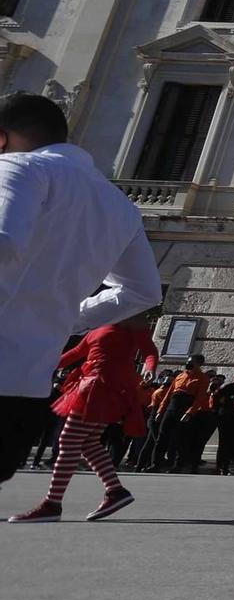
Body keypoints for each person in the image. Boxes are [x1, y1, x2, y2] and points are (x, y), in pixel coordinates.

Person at [0, 92, 163, 491]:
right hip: (26, 388)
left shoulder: (17, 169)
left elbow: (4, 242)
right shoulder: (118, 204)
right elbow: (142, 291)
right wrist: (61, 315)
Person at [9, 307, 158, 522]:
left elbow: (149, 350)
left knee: (69, 440)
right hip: (91, 385)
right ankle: (116, 491)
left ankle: (52, 503)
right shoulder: (100, 321)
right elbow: (78, 352)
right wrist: (42, 366)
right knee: (88, 443)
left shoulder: (132, 316)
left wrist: (150, 368)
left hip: (105, 386)